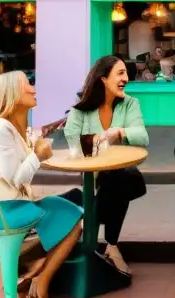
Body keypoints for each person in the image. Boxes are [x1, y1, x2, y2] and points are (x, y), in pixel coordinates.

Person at [0, 71, 83, 298]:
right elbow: (16, 179)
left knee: (69, 205)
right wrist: (38, 155)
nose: (33, 88)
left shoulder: (8, 128)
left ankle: (33, 266)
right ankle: (43, 277)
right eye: (27, 85)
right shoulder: (0, 129)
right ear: (11, 95)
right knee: (74, 215)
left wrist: (33, 150)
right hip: (0, 210)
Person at [63, 55, 148, 277]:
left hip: (116, 171)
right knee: (126, 182)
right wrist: (97, 140)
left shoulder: (130, 103)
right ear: (103, 79)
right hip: (95, 171)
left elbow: (142, 136)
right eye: (120, 73)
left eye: (126, 73)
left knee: (120, 179)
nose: (126, 78)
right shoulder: (82, 108)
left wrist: (119, 132)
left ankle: (88, 221)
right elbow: (73, 139)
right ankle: (111, 244)